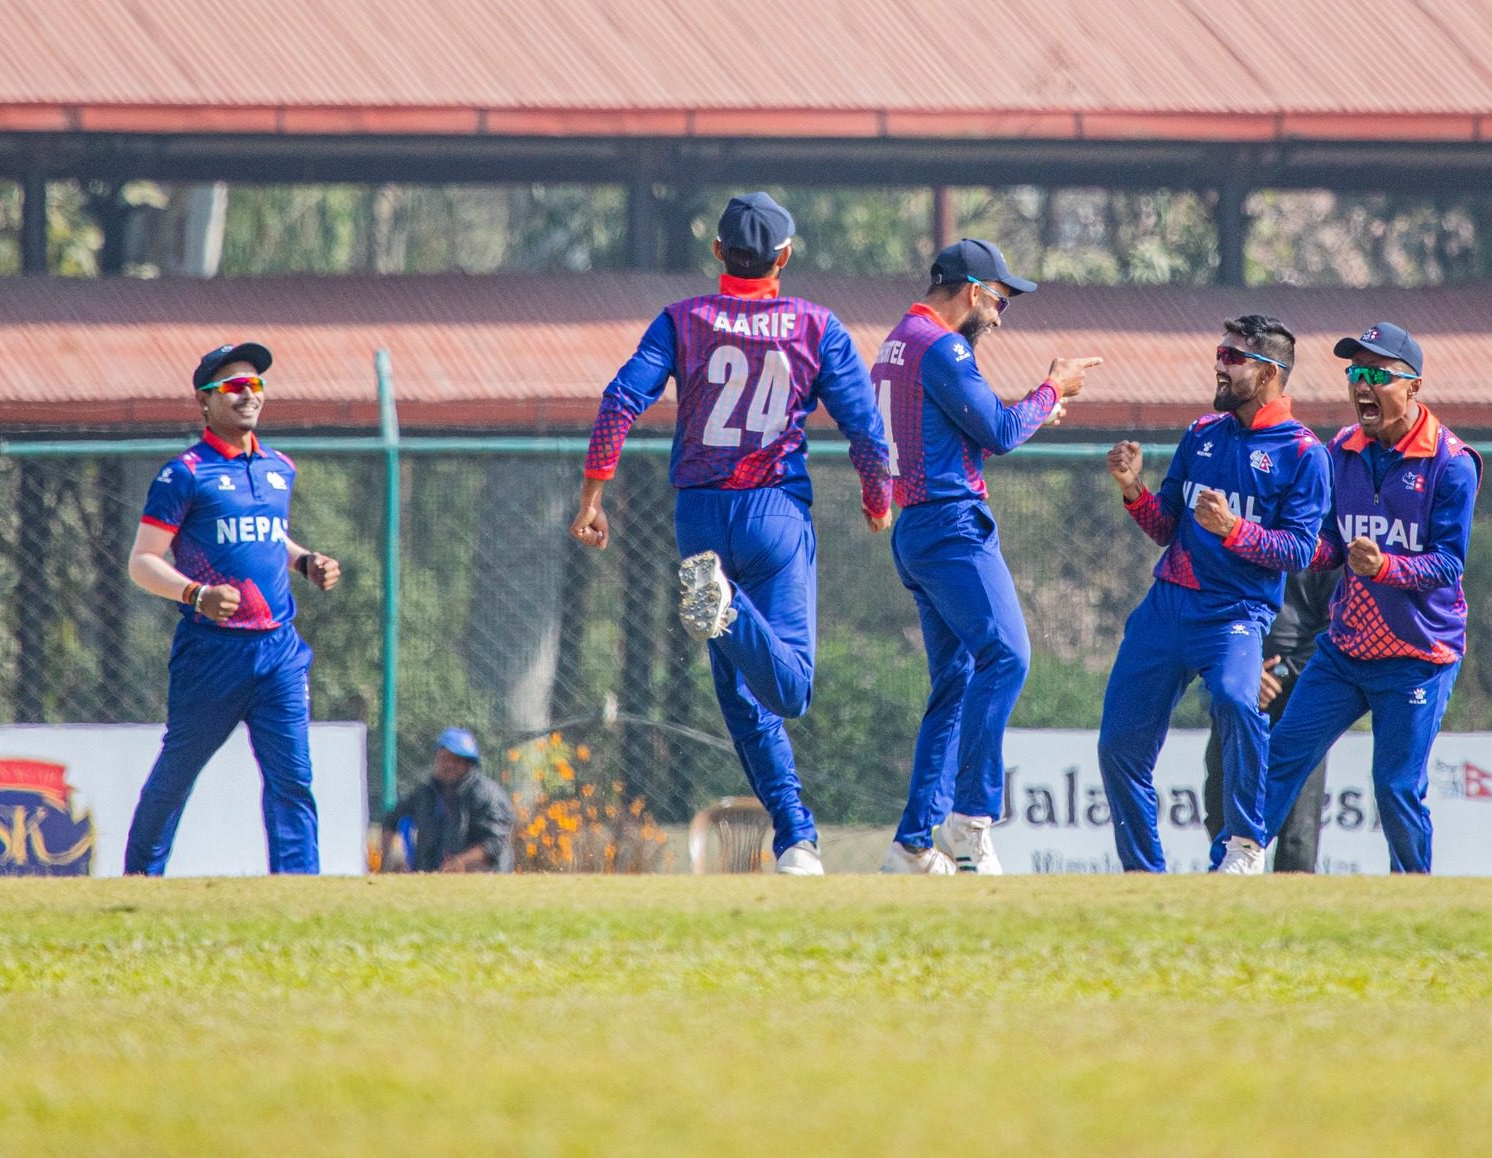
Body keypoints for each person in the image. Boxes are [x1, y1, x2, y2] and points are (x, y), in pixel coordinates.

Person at [569, 193, 890, 877]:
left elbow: (621, 398)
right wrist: (877, 495)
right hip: (773, 512)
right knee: (791, 689)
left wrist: (593, 493)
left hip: (700, 518)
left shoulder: (683, 320)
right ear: (786, 256)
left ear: (718, 253)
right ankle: (796, 831)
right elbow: (866, 426)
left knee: (742, 694)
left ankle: (796, 838)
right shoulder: (816, 326)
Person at [872, 238, 1102, 874]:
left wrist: (1029, 408)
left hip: (917, 528)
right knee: (1008, 655)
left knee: (955, 682)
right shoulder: (942, 346)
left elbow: (969, 423)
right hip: (950, 526)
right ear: (972, 292)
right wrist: (1052, 390)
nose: (1001, 314)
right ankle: (972, 823)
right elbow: (998, 433)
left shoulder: (899, 341)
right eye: (1000, 299)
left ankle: (914, 845)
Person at [1098, 316, 1331, 875]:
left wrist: (1235, 531)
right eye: (1220, 354)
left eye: (1233, 358)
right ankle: (1143, 875)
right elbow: (1165, 526)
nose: (1219, 366)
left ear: (1270, 373)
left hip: (1235, 612)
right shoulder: (1202, 433)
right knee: (1117, 745)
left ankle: (1245, 847)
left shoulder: (1304, 453)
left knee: (1234, 700)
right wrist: (1133, 490)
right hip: (1167, 605)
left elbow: (1301, 551)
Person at [1261, 323, 1481, 875]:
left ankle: (1413, 898)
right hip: (1347, 649)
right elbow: (1332, 544)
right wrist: (1297, 548)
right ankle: (1231, 865)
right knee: (1283, 754)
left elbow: (1450, 565)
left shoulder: (1451, 463)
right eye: (1355, 374)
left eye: (1377, 376)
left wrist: (1386, 566)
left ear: (1413, 386)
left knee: (1395, 786)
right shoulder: (1343, 449)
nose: (1362, 386)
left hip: (1418, 655)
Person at [123, 343, 342, 875]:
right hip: (211, 654)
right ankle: (138, 883)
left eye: (255, 385)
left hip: (278, 649)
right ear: (205, 401)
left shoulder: (278, 468)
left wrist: (304, 560)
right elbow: (142, 561)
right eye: (233, 387)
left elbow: (268, 536)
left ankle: (298, 895)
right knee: (177, 775)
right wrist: (194, 593)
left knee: (292, 779)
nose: (248, 394)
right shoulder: (185, 474)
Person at [1204, 565, 1342, 873]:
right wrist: (1245, 673)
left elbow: (1337, 627)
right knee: (1219, 809)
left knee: (1298, 831)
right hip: (1238, 688)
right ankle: (1230, 905)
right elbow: (1211, 609)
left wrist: (1281, 673)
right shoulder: (1237, 529)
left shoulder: (1323, 536)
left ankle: (1291, 916)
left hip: (1303, 698)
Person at [380, 729, 513, 873]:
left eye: (457, 760)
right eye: (444, 758)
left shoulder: (488, 795)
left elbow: (495, 844)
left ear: (470, 765)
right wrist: (391, 858)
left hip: (482, 880)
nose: (449, 765)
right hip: (429, 880)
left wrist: (459, 863)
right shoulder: (425, 793)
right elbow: (390, 821)